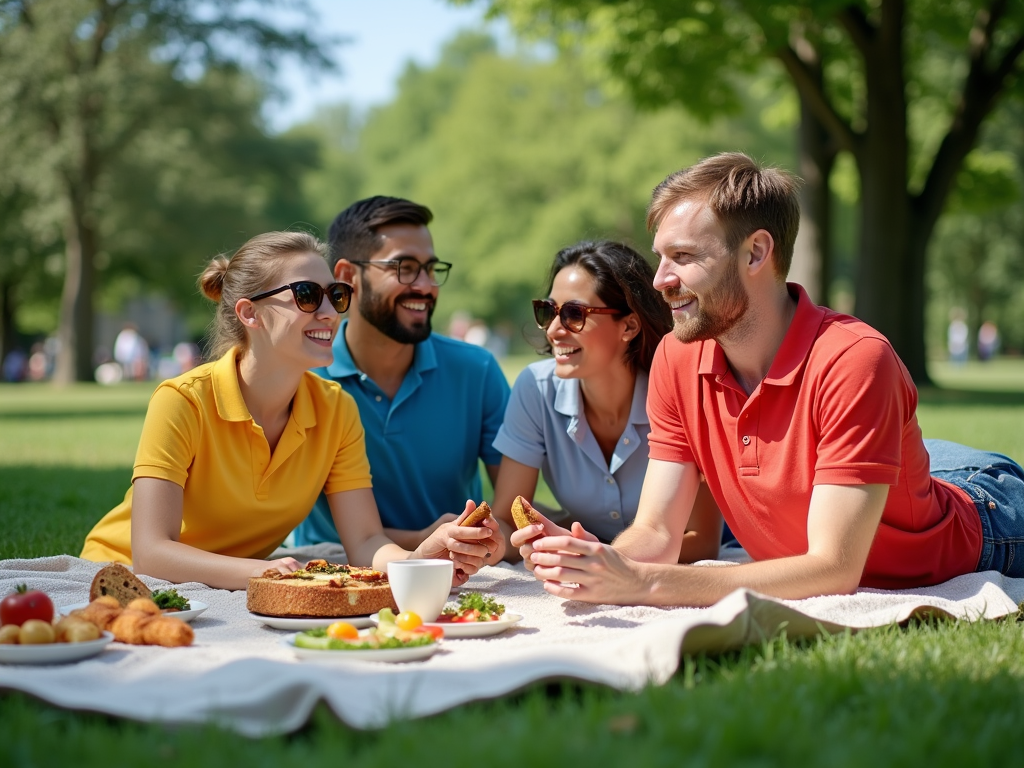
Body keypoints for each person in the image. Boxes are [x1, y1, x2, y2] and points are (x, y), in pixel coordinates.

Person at [511, 152, 1024, 605]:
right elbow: (656, 532)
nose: (660, 280)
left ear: (756, 252)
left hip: (990, 517)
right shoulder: (676, 356)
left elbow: (833, 568)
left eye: (684, 257)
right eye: (661, 256)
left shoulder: (855, 359)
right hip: (889, 478)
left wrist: (644, 584)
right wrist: (599, 560)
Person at [81, 231, 497, 590]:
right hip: (116, 573)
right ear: (249, 313)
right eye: (306, 295)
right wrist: (263, 573)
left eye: (336, 296)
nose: (330, 313)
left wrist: (421, 558)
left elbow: (367, 542)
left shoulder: (337, 410)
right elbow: (151, 553)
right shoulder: (183, 400)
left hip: (237, 581)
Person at [292, 197, 510, 550]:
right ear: (348, 276)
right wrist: (421, 543)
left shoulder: (477, 371)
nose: (425, 286)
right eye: (404, 268)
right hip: (324, 572)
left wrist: (468, 540)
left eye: (430, 268)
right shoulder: (302, 378)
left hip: (456, 574)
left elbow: (511, 514)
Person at [491, 240, 722, 563]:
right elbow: (507, 521)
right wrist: (481, 541)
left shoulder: (680, 393)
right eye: (548, 311)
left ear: (628, 325)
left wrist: (599, 558)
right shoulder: (535, 388)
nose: (554, 330)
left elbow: (703, 542)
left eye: (574, 314)